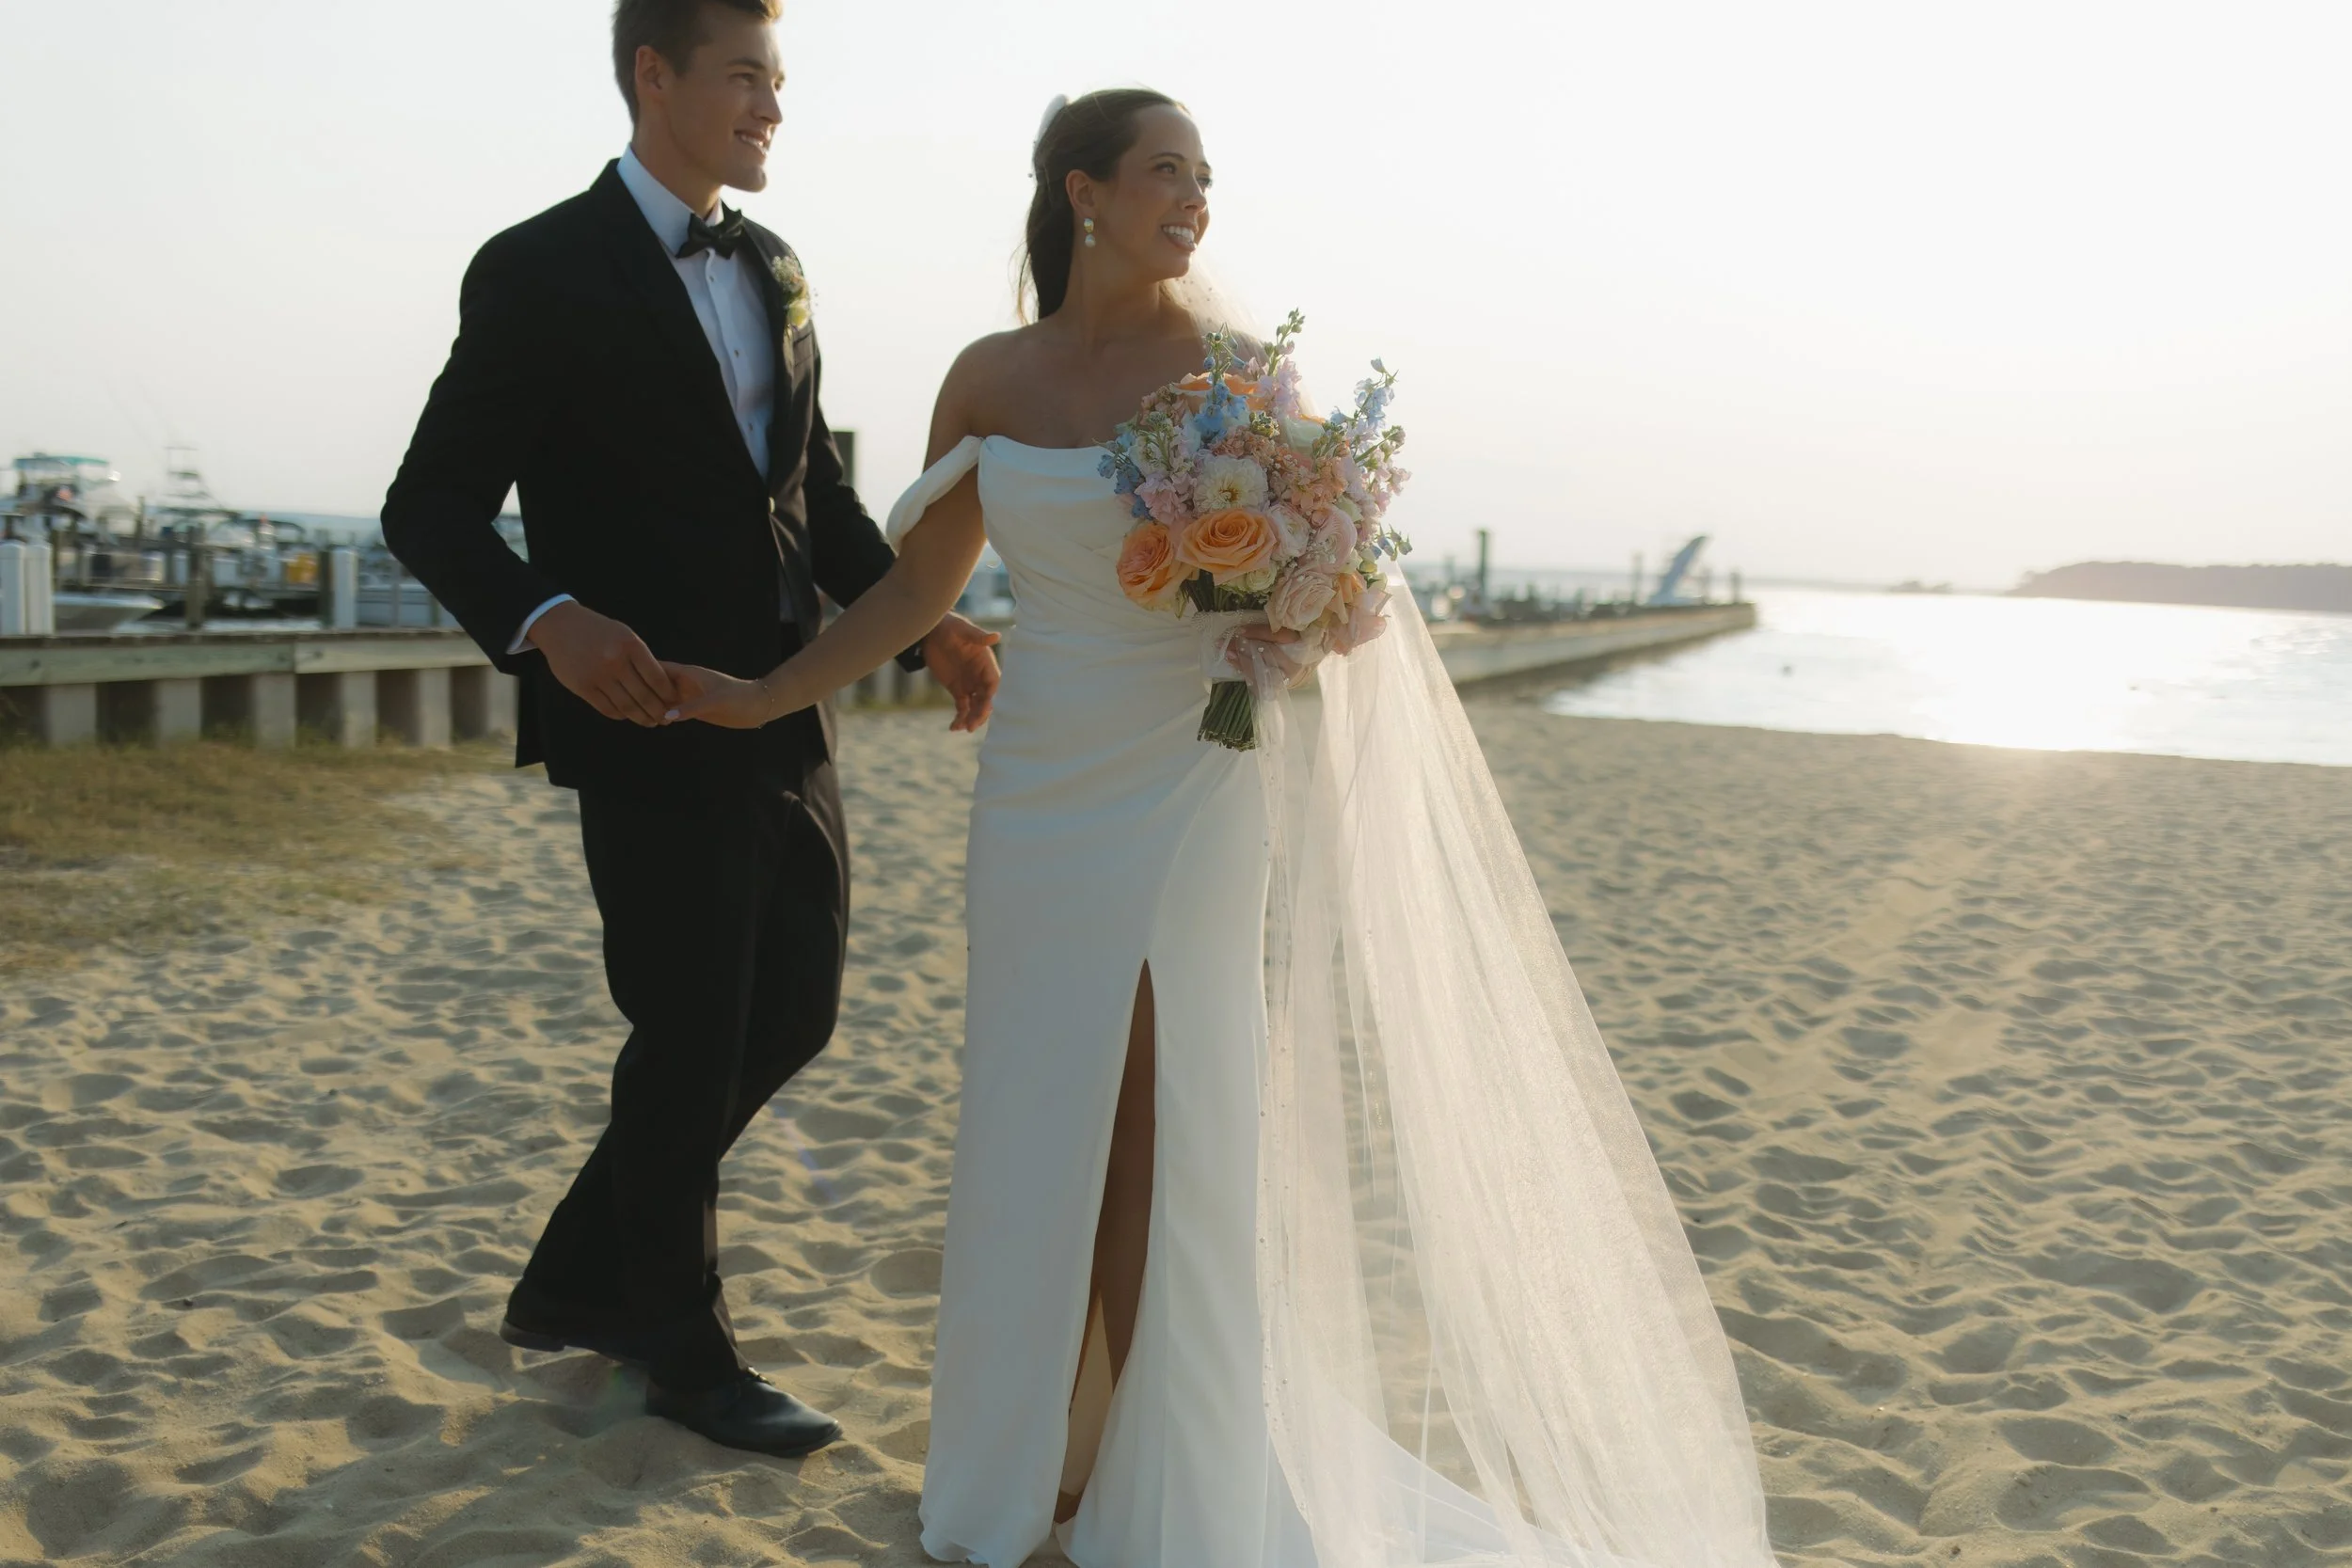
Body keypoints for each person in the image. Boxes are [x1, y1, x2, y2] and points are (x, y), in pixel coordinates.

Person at [665, 89, 1780, 1567]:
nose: (1194, 200)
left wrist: (1302, 602)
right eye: (1165, 173)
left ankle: (1153, 1463)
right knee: (1038, 1107)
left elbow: (1326, 582)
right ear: (1084, 193)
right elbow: (915, 591)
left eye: (1206, 177)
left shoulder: (1240, 374)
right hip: (1042, 782)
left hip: (1193, 772)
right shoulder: (989, 376)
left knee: (1168, 1113)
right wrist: (761, 696)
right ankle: (1043, 1458)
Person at [378, 0, 999, 1459]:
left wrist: (931, 620)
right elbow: (430, 505)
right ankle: (684, 1344)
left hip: (787, 700)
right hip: (645, 710)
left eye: (779, 84)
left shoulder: (774, 266)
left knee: (797, 1009)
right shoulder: (536, 269)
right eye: (745, 79)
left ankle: (587, 1273)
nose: (772, 107)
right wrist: (552, 621)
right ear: (653, 76)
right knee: (690, 1027)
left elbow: (811, 502)